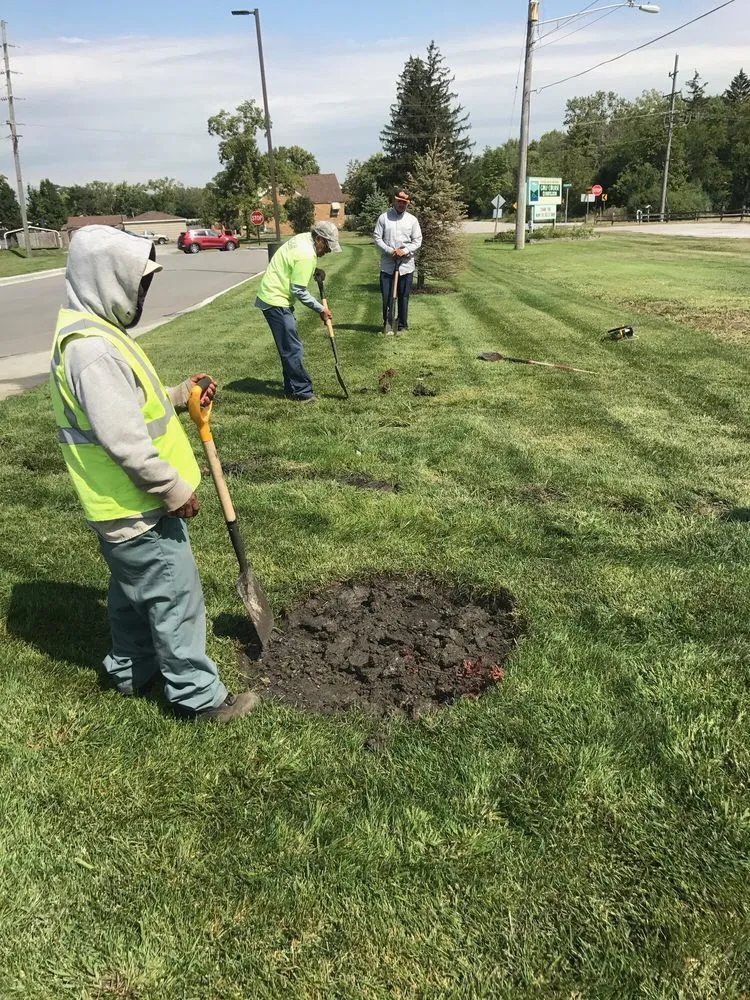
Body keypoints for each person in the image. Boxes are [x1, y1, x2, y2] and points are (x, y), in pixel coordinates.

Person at [49, 225, 258, 723]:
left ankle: (128, 671)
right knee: (175, 599)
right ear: (103, 279)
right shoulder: (92, 350)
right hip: (138, 505)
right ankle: (197, 697)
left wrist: (179, 393)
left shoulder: (93, 332)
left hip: (115, 509)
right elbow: (124, 440)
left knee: (130, 595)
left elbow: (129, 407)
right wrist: (172, 490)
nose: (141, 293)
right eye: (135, 284)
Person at [255, 220, 342, 402]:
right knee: (292, 348)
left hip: (272, 296)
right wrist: (320, 308)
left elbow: (292, 264)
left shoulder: (303, 238)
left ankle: (290, 388)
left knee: (288, 346)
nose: (327, 251)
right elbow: (299, 290)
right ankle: (303, 392)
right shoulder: (307, 255)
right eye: (327, 246)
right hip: (275, 300)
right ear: (319, 239)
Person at [373, 189, 423, 335]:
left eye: (404, 202)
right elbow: (377, 237)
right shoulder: (384, 218)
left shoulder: (412, 220)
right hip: (388, 265)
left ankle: (402, 325)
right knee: (387, 295)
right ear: (394, 201)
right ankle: (387, 323)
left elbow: (418, 240)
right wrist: (390, 250)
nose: (401, 204)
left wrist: (404, 251)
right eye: (399, 201)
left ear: (408, 203)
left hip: (406, 265)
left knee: (403, 296)